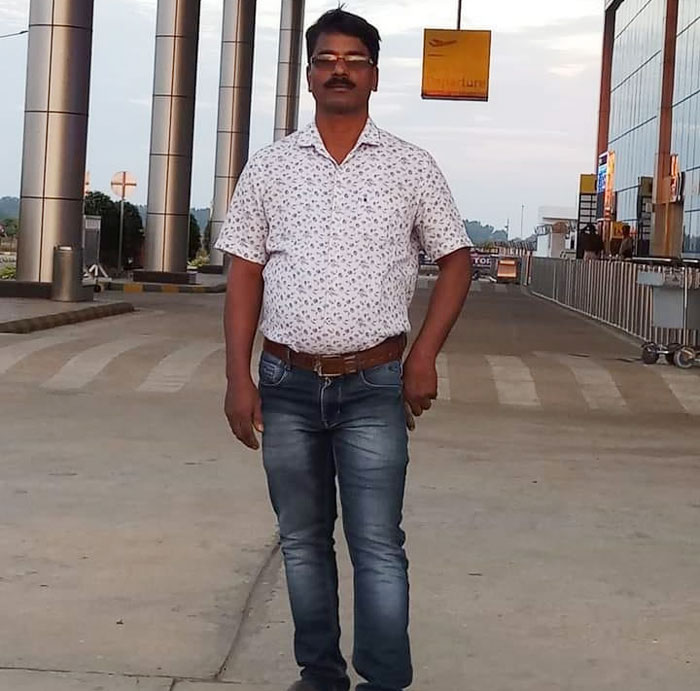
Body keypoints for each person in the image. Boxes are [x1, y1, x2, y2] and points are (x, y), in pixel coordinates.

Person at [215, 9, 472, 691]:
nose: (340, 70)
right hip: (286, 383)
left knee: (378, 544)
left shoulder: (410, 168)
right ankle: (320, 675)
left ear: (374, 76)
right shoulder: (269, 168)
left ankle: (383, 681)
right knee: (302, 542)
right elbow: (244, 274)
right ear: (308, 75)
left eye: (354, 60)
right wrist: (238, 377)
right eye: (326, 59)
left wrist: (423, 356)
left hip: (373, 384)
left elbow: (457, 260)